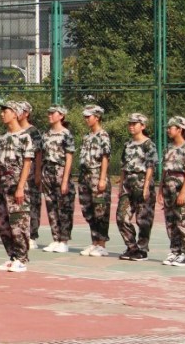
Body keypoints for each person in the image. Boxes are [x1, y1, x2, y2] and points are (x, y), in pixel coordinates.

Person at [0, 101, 35, 273]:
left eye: (6, 111)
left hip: (16, 184)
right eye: (2, 111)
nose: (2, 114)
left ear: (15, 114)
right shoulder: (2, 138)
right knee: (4, 224)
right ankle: (12, 257)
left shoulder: (25, 137)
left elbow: (27, 163)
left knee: (19, 223)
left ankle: (21, 258)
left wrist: (20, 187)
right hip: (2, 186)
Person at [117, 112, 157, 262]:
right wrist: (121, 185)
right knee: (121, 217)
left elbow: (151, 167)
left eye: (134, 124)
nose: (131, 126)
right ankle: (132, 247)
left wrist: (146, 186)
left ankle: (142, 249)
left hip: (142, 182)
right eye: (130, 123)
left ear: (143, 126)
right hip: (128, 184)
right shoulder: (128, 144)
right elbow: (123, 166)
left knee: (143, 219)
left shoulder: (148, 144)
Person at [160, 116, 185, 267]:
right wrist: (160, 190)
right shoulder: (168, 147)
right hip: (168, 189)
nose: (168, 130)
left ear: (179, 129)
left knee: (183, 221)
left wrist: (183, 192)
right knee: (171, 221)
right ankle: (175, 251)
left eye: (171, 127)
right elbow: (164, 170)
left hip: (180, 188)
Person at [40, 105, 76, 254]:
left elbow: (69, 158)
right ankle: (55, 238)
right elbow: (42, 155)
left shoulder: (66, 134)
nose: (49, 115)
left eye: (52, 113)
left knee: (64, 207)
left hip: (60, 170)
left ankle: (64, 240)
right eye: (48, 113)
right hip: (47, 170)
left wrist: (65, 180)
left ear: (61, 116)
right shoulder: (46, 134)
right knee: (51, 206)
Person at [77, 104, 111, 257]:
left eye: (88, 116)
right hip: (85, 176)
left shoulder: (103, 135)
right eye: (85, 117)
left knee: (100, 211)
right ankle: (94, 242)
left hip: (97, 175)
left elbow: (105, 157)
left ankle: (102, 244)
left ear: (97, 117)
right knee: (88, 210)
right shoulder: (87, 136)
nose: (86, 119)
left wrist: (102, 179)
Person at [17, 101, 44, 249]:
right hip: (17, 172)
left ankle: (32, 235)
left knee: (33, 203)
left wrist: (38, 172)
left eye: (20, 110)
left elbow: (38, 153)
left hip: (31, 172)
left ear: (27, 113)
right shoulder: (14, 130)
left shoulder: (33, 131)